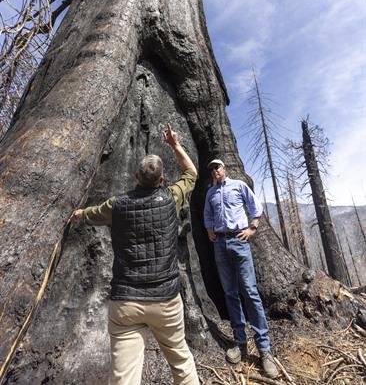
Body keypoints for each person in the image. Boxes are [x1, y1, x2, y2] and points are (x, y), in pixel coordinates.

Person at [72, 124, 200, 385]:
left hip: (126, 302)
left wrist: (77, 214)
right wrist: (175, 145)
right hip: (165, 300)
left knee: (124, 378)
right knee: (182, 363)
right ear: (162, 180)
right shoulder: (171, 197)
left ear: (135, 175)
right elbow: (191, 173)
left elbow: (89, 215)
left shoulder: (115, 207)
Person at [203, 158, 279, 379]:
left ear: (224, 168)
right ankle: (240, 342)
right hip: (220, 243)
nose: (215, 170)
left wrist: (252, 228)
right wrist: (209, 230)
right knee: (230, 292)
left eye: (217, 167)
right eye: (212, 169)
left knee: (250, 291)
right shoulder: (210, 194)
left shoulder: (239, 185)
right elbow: (207, 214)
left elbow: (256, 208)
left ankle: (264, 350)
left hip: (239, 241)